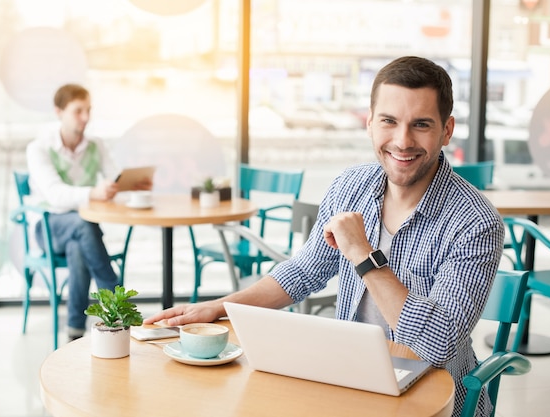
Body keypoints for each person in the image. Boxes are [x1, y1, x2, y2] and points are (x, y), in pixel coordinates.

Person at [145, 56, 504, 416]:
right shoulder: (350, 186)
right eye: (389, 121)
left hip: (435, 399)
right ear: (369, 123)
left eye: (421, 124)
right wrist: (220, 307)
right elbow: (303, 272)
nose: (402, 140)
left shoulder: (476, 222)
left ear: (447, 130)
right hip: (352, 381)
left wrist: (364, 256)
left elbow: (438, 342)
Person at [27, 83, 152, 342]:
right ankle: (114, 297)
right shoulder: (39, 148)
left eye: (88, 110)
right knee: (84, 226)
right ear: (58, 111)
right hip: (49, 228)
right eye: (78, 111)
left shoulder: (96, 145)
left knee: (79, 249)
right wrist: (93, 193)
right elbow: (54, 194)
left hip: (80, 233)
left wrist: (131, 187)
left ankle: (74, 332)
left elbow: (112, 183)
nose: (85, 118)